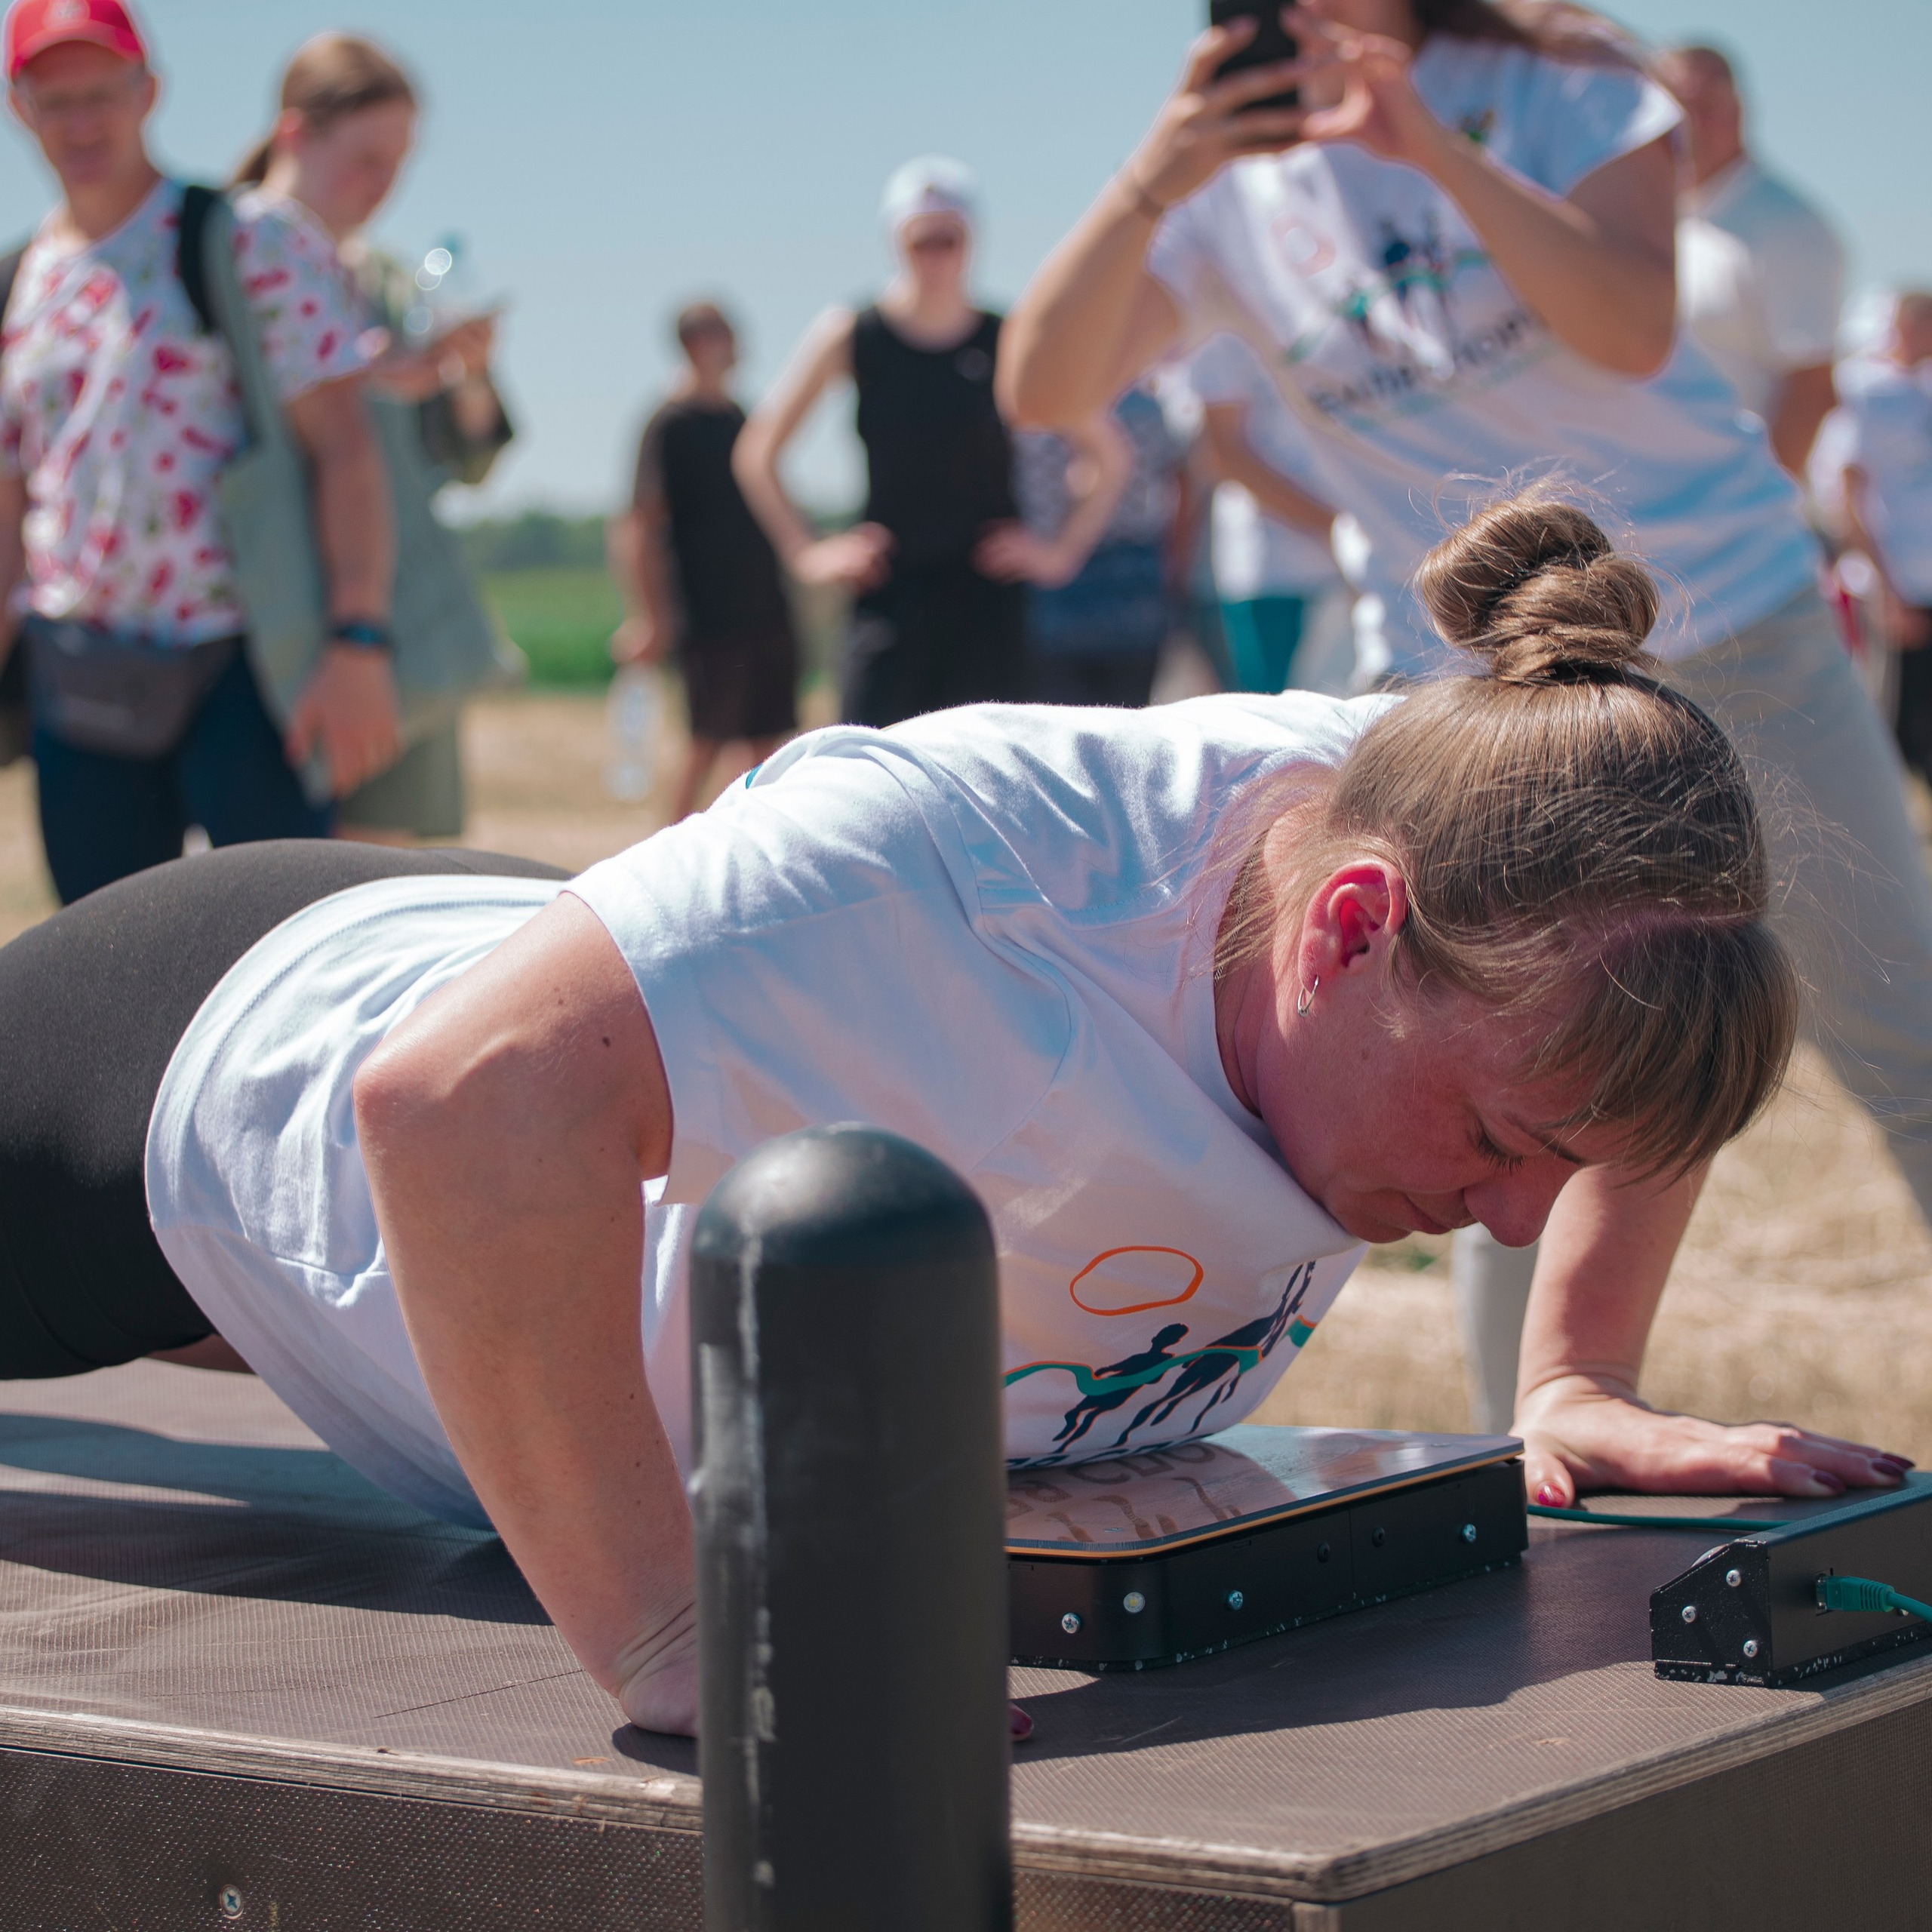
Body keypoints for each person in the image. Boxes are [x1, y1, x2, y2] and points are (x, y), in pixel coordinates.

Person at [0, 494, 1911, 1744]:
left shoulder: (1528, 848)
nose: (1502, 1215)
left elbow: (1631, 1046)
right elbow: (453, 1101)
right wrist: (683, 1642)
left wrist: (1570, 1366)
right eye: (1499, 1136)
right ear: (1347, 930)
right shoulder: (968, 870)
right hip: (222, 1065)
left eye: (1554, 1166)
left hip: (567, 1102)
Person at [998, 1, 1932, 1435]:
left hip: (1730, 613)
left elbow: (1629, 326)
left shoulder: (1559, 85)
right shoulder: (1232, 189)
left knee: (1903, 1032)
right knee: (1503, 1068)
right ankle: (1539, 1447)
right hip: (1467, 673)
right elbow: (1045, 384)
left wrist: (1429, 148)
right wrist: (1160, 169)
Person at [0, 0, 398, 905]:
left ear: (149, 92)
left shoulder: (241, 240)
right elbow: (12, 499)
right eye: (53, 100)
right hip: (83, 674)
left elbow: (344, 449)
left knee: (282, 947)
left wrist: (358, 639)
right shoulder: (19, 284)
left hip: (245, 663)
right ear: (18, 107)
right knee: (112, 974)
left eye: (103, 93)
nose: (81, 122)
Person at [233, 32, 512, 845]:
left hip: (395, 612)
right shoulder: (230, 253)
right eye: (366, 159)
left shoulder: (385, 278)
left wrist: (464, 375)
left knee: (388, 873)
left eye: (399, 162)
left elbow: (469, 457)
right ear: (296, 135)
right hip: (297, 613)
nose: (385, 185)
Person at [732, 156, 1121, 727]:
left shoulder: (1008, 339)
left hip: (988, 600)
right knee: (866, 785)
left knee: (992, 790)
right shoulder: (853, 335)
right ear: (896, 241)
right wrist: (807, 552)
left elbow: (1109, 455)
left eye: (950, 239)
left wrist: (1059, 552)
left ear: (971, 240)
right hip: (890, 595)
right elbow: (757, 454)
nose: (936, 256)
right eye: (922, 241)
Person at [608, 302, 801, 820]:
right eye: (722, 333)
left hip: (763, 604)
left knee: (767, 747)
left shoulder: (741, 417)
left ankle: (743, 845)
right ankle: (668, 849)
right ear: (695, 342)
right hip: (706, 611)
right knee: (705, 741)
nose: (734, 344)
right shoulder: (670, 424)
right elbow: (640, 524)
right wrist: (647, 615)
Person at [1655, 44, 1844, 478]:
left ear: (1738, 110)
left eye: (1707, 105)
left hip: (1735, 512)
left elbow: (1811, 390)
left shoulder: (1786, 226)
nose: (1693, 123)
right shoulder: (1666, 215)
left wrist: (1756, 504)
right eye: (1678, 107)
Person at [1189, 334, 1347, 693]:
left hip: (1347, 568)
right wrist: (1339, 527)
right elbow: (1221, 454)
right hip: (1273, 575)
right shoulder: (1219, 334)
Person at [1012, 385, 1177, 707]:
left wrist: (1062, 553)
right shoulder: (1143, 393)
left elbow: (1111, 462)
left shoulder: (1036, 386)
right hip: (1136, 578)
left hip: (1068, 587)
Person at [1830, 294, 1932, 781]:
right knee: (1886, 723)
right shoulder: (1865, 390)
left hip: (1925, 582)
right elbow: (1847, 491)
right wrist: (1886, 588)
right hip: (1893, 586)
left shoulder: (1924, 389)